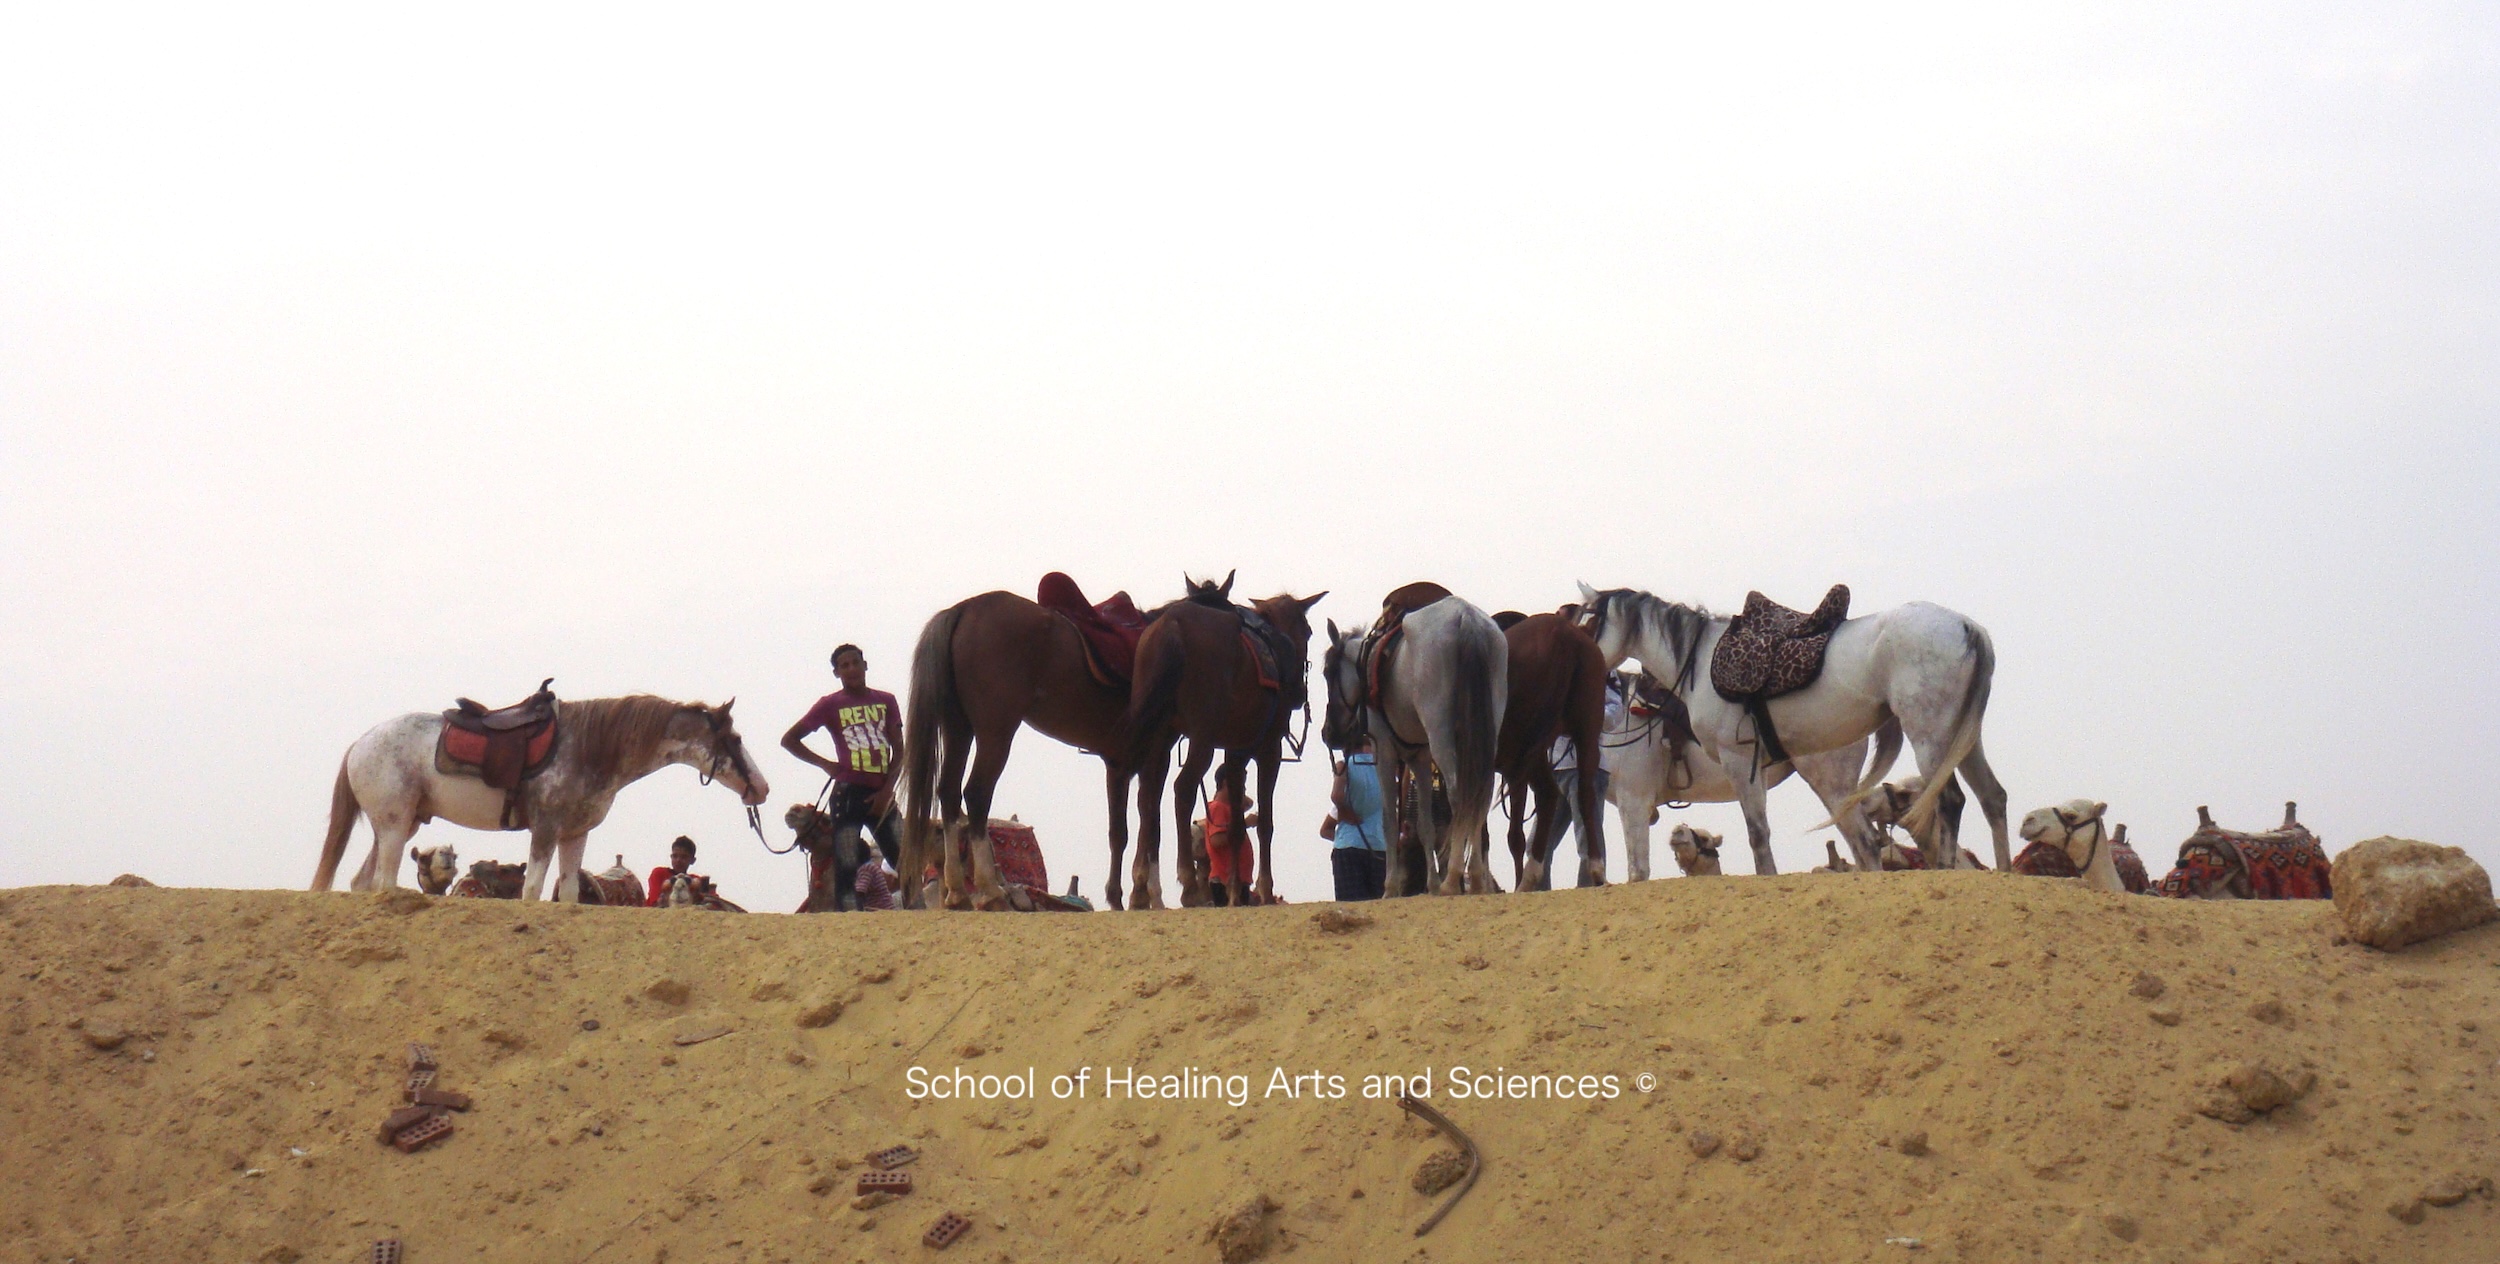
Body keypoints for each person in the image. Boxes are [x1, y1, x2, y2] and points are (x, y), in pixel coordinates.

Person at [783, 644, 906, 890]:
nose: (851, 669)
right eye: (844, 666)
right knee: (847, 868)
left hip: (882, 791)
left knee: (906, 862)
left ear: (865, 665)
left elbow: (900, 750)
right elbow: (790, 740)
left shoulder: (886, 701)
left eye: (855, 663)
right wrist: (827, 765)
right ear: (837, 673)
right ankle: (850, 921)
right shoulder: (830, 704)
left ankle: (920, 915)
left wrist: (887, 791)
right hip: (848, 793)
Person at [1329, 736, 1388, 900]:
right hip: (1378, 845)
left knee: (1350, 908)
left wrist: (1344, 810)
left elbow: (1336, 795)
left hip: (1349, 843)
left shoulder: (1344, 765)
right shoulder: (1383, 767)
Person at [1203, 764, 1257, 906]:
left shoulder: (1229, 808)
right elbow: (1216, 840)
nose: (1244, 788)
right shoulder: (1218, 808)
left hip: (1238, 878)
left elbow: (1249, 803)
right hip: (1224, 880)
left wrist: (1239, 791)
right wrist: (1244, 824)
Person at [645, 836, 701, 907]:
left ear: (692, 860)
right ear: (671, 857)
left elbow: (714, 901)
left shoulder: (695, 881)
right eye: (675, 856)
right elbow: (655, 902)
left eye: (683, 857)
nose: (678, 860)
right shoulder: (659, 873)